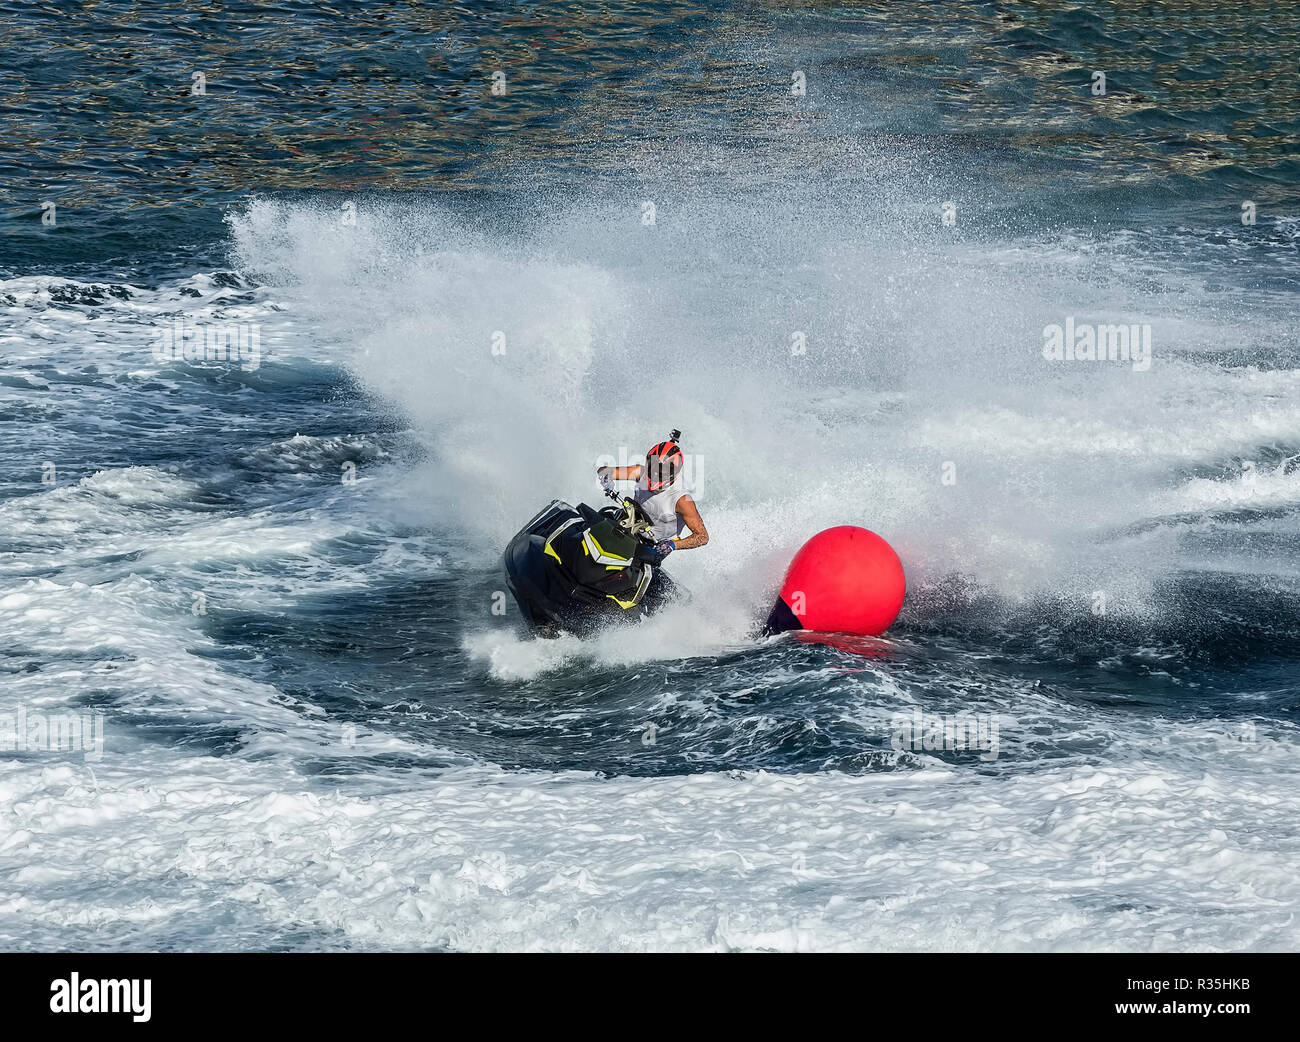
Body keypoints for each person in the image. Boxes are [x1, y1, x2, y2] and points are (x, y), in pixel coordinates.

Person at [596, 430, 708, 568]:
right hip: (625, 525)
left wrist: (673, 545)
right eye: (653, 468)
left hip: (651, 548)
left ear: (673, 474)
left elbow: (702, 536)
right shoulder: (640, 472)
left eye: (660, 472)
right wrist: (607, 476)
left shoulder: (682, 500)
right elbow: (604, 470)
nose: (655, 475)